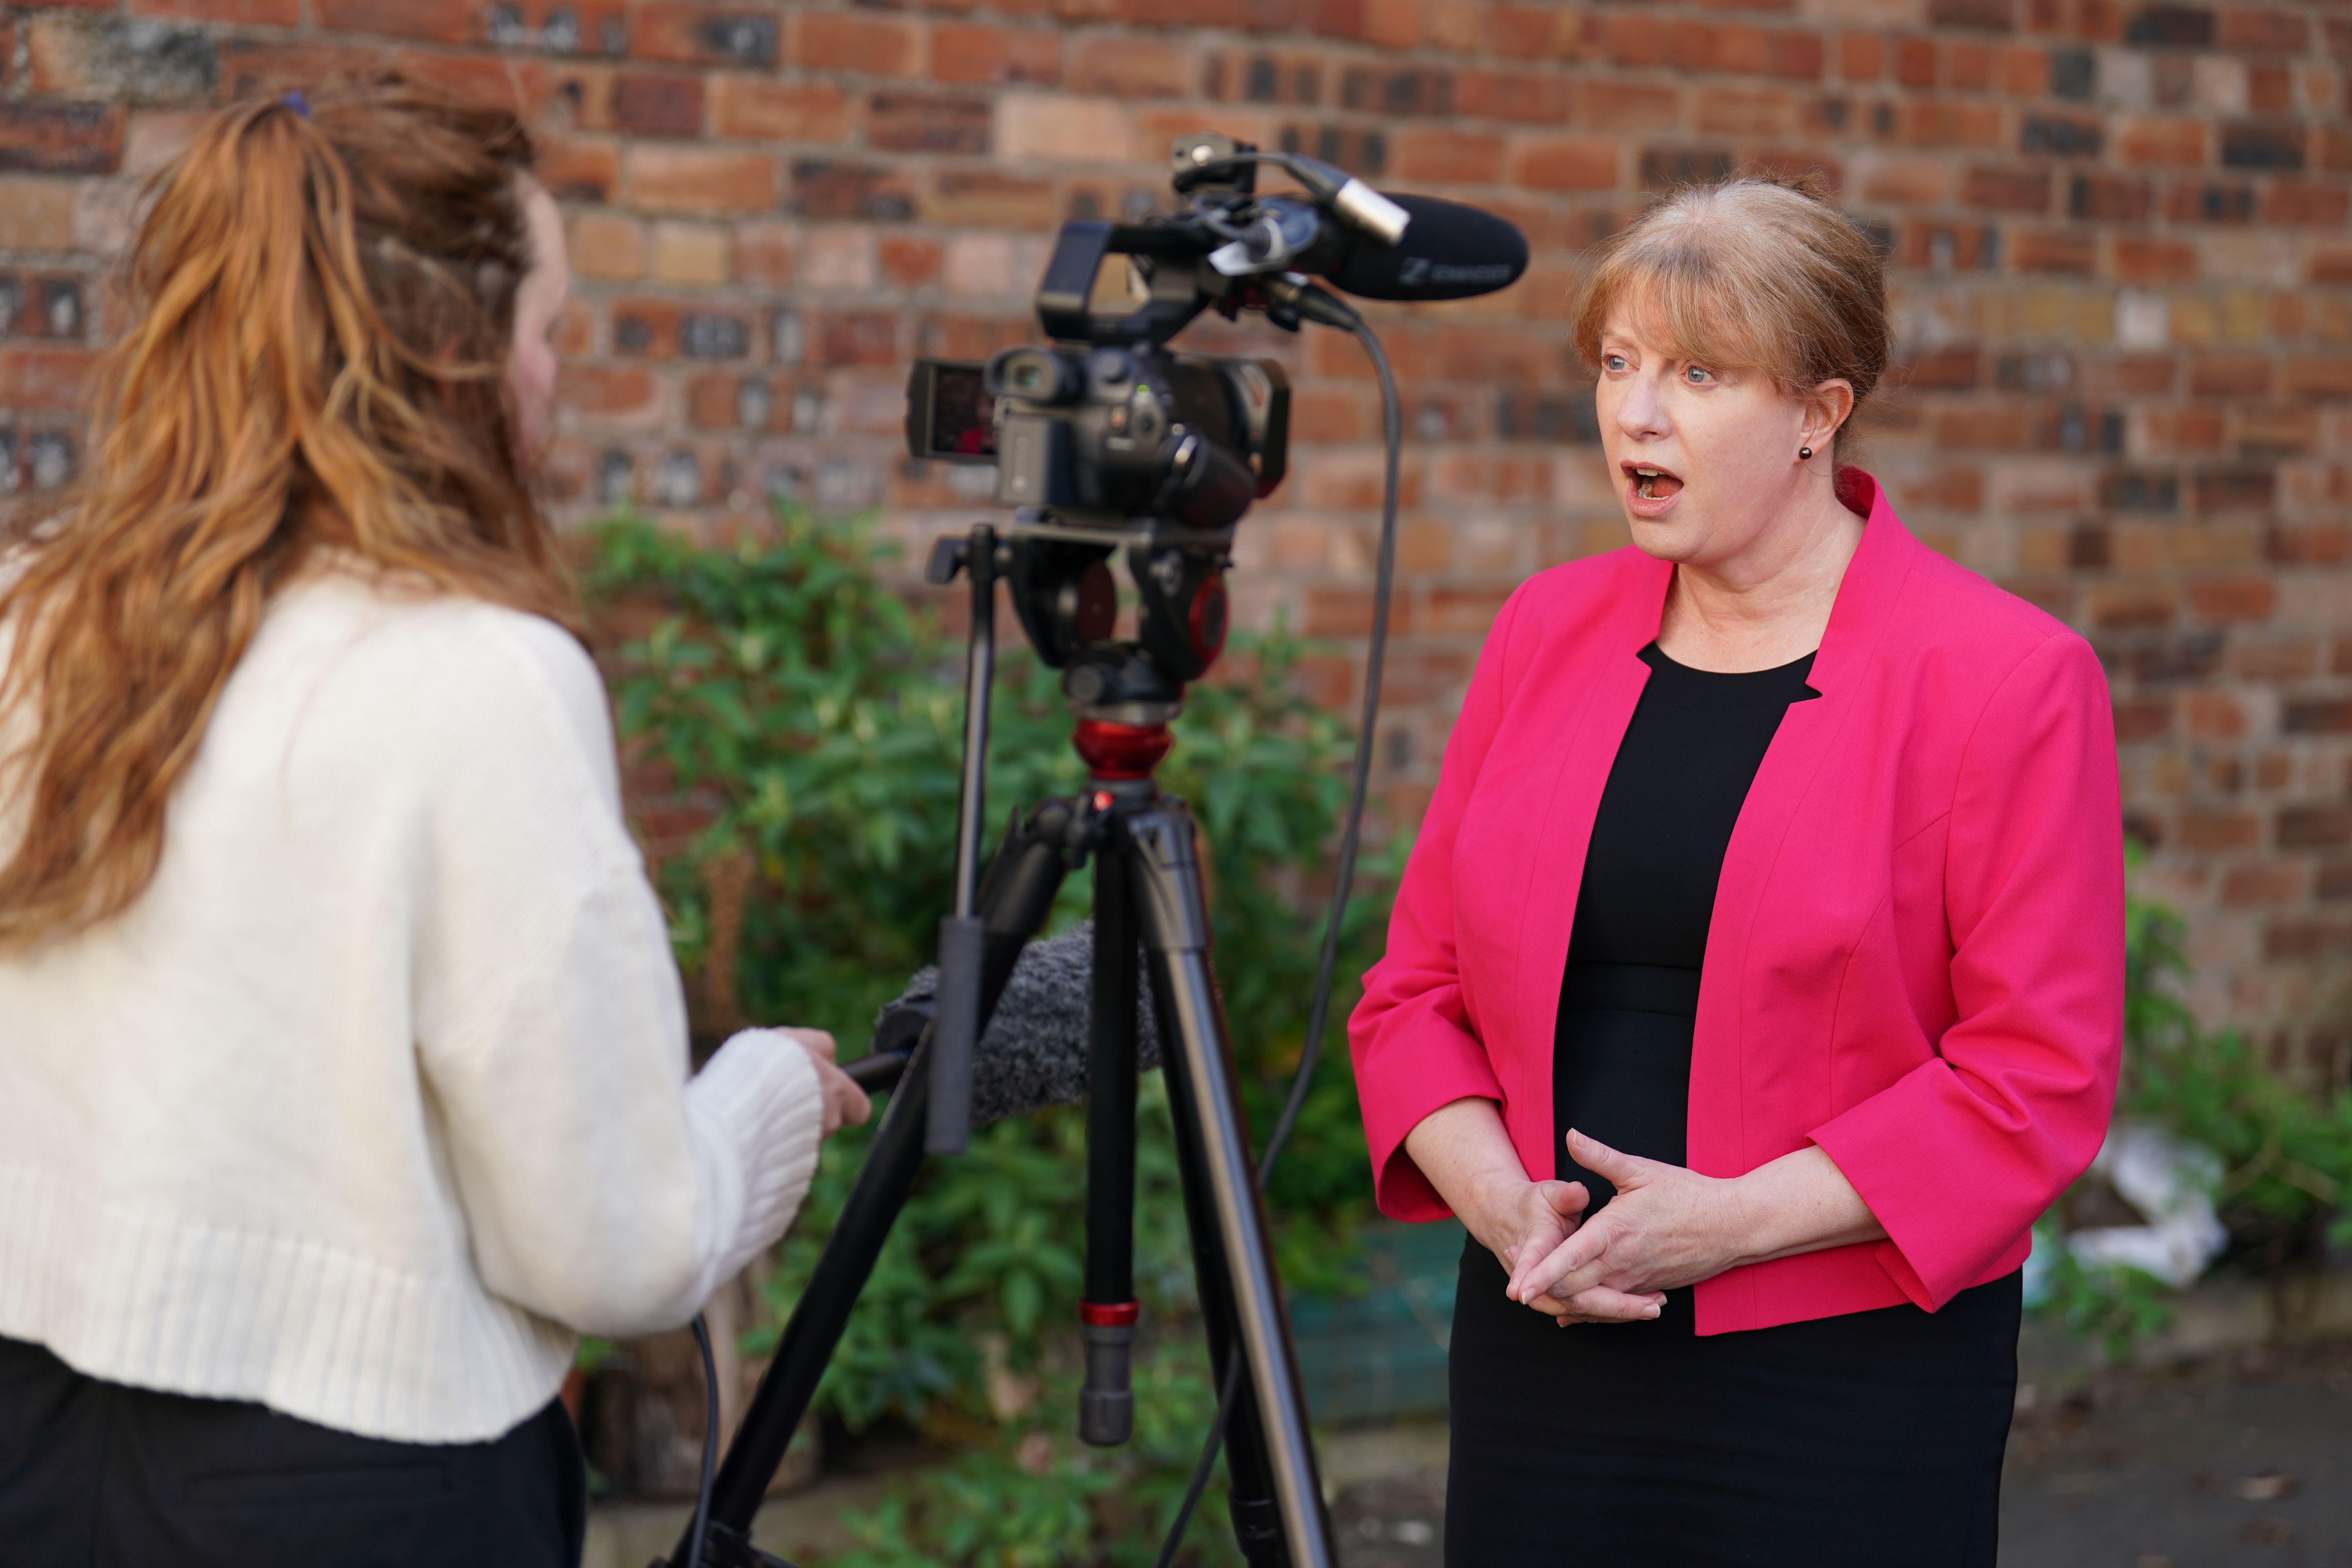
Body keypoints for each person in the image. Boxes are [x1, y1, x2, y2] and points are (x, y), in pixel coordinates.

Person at [0, 80, 868, 1567]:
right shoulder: (481, 679)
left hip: (35, 1443)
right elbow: (611, 1242)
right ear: (454, 360)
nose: (555, 382)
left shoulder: (35, 613)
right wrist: (761, 1100)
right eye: (548, 332)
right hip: (354, 1492)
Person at [1348, 172, 2123, 1566]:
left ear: (1821, 414)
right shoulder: (1545, 630)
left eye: (1700, 374)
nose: (1635, 414)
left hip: (1845, 1369)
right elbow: (1414, 997)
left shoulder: (2006, 678)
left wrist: (1726, 1227)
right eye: (1619, 365)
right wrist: (1506, 1210)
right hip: (1544, 1330)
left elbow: (2037, 1077)